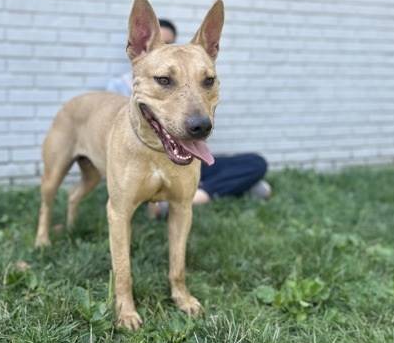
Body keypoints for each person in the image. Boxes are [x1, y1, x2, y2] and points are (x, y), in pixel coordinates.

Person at [106, 18, 272, 208]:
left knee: (255, 163)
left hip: (185, 153)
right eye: (158, 45)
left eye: (170, 44)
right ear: (141, 44)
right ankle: (206, 192)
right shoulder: (118, 86)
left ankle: (195, 193)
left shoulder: (190, 78)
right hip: (139, 162)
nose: (164, 50)